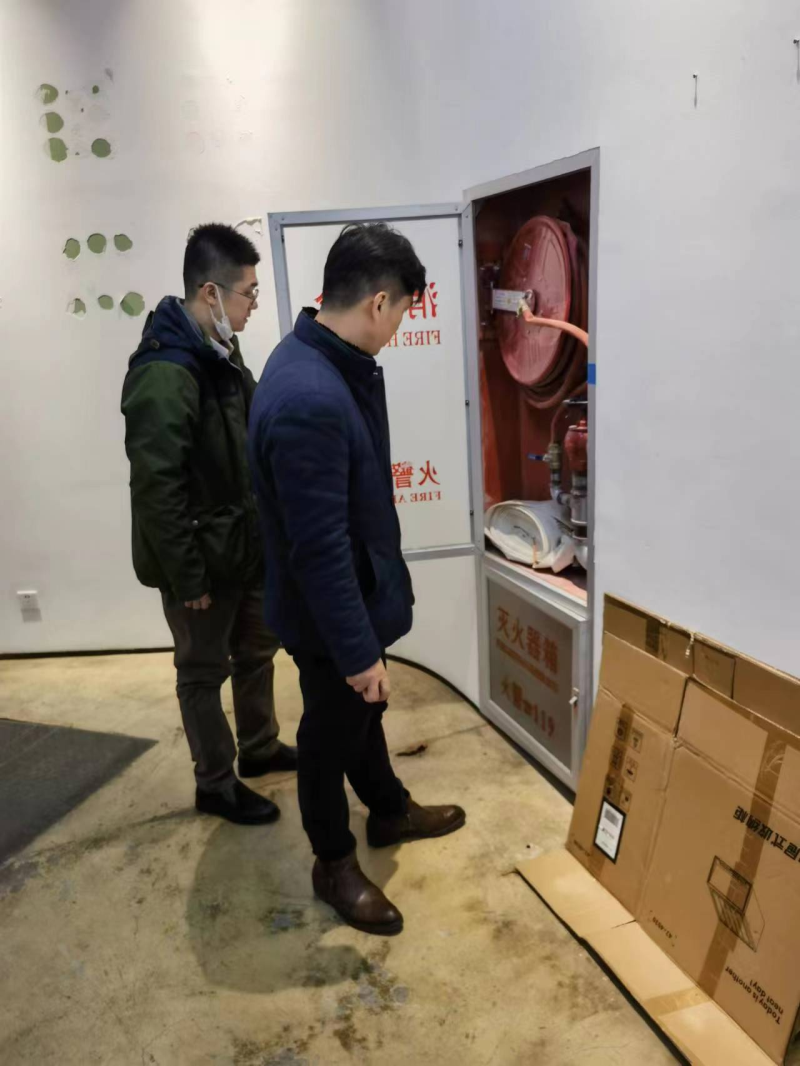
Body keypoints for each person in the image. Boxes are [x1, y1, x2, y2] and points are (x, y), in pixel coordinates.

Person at [247, 222, 466, 935]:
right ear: (378, 302)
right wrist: (357, 651)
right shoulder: (310, 395)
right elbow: (319, 548)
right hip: (327, 617)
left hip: (345, 604)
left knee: (360, 715)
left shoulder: (320, 358)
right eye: (401, 311)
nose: (400, 326)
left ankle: (389, 810)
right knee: (329, 735)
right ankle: (333, 862)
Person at [121, 222, 296, 826]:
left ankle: (260, 746)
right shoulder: (165, 372)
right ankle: (215, 783)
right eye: (249, 292)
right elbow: (156, 487)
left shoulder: (220, 353)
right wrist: (187, 576)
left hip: (242, 545)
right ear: (210, 293)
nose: (253, 305)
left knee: (257, 650)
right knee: (201, 672)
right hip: (200, 559)